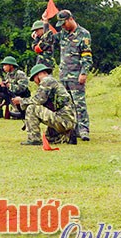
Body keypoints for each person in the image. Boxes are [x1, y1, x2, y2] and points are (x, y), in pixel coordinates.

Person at [12, 63, 76, 146]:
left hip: (63, 120)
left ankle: (34, 139)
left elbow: (38, 100)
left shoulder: (46, 81)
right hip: (66, 120)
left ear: (38, 75)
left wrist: (21, 101)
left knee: (32, 108)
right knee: (49, 139)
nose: (35, 82)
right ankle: (66, 136)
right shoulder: (52, 81)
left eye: (34, 79)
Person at [54, 9, 92, 141]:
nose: (63, 27)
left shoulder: (83, 34)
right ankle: (71, 130)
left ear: (70, 19)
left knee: (79, 104)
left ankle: (84, 130)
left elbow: (87, 56)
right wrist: (45, 23)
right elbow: (48, 39)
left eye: (64, 23)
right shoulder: (62, 34)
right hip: (63, 75)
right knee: (66, 105)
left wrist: (84, 73)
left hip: (76, 75)